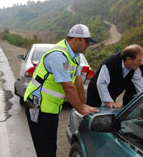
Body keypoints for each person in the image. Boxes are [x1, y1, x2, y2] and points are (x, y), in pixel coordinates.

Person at [23, 24, 99, 157]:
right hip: (36, 104)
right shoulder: (58, 55)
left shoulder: (75, 56)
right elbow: (68, 88)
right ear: (76, 39)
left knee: (50, 144)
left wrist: (83, 104)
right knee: (44, 147)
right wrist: (81, 110)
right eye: (86, 41)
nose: (88, 45)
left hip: (50, 106)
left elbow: (78, 81)